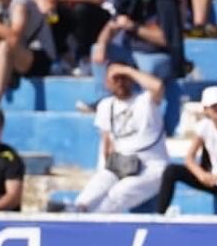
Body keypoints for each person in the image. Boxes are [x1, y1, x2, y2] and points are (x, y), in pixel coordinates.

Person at [71, 63, 170, 214]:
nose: (120, 83)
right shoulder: (106, 105)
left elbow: (157, 86)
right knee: (89, 194)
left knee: (120, 193)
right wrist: (103, 170)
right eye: (115, 79)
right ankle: (74, 214)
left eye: (124, 79)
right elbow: (106, 143)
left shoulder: (146, 101)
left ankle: (90, 224)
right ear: (107, 82)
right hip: (122, 164)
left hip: (152, 166)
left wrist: (127, 70)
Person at [156, 86, 217, 215]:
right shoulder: (203, 127)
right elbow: (189, 157)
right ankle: (159, 214)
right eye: (214, 107)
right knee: (171, 171)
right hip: (213, 179)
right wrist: (201, 175)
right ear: (206, 109)